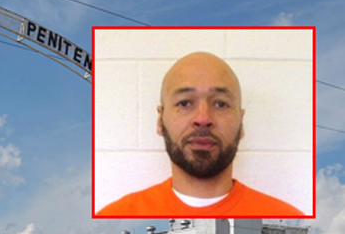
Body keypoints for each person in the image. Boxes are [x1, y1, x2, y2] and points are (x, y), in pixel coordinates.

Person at [96, 52, 305, 217]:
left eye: (220, 104)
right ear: (160, 121)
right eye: (185, 103)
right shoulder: (115, 214)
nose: (203, 118)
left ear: (241, 123)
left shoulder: (287, 216)